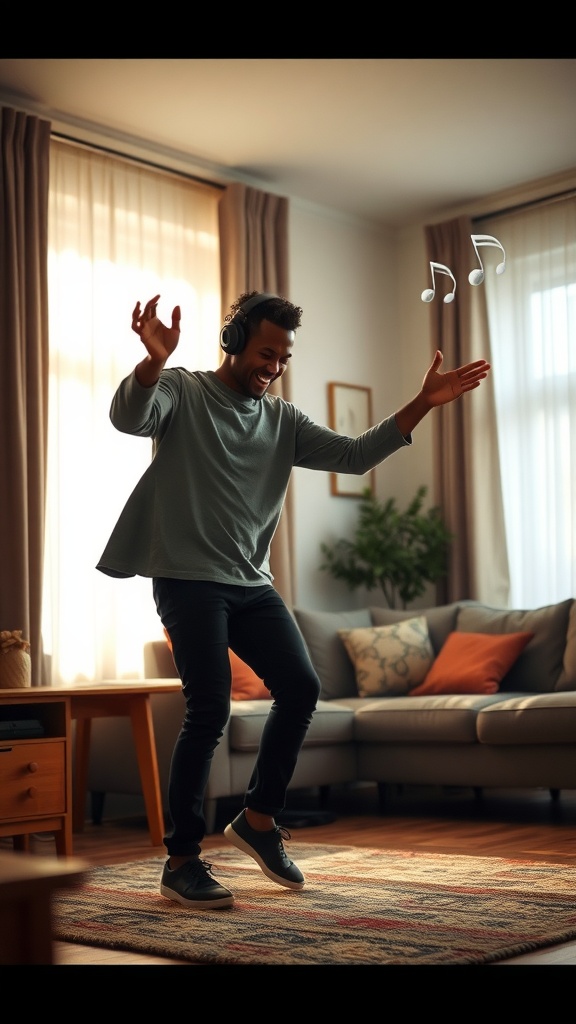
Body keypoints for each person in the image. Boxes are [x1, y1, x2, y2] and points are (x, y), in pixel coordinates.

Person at [97, 290, 491, 910]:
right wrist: (150, 364)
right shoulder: (183, 390)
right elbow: (129, 417)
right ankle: (181, 859)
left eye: (282, 357)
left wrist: (423, 402)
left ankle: (258, 820)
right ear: (233, 342)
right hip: (187, 578)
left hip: (251, 583)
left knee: (301, 688)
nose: (272, 366)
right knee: (209, 710)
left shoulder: (282, 420)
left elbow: (356, 458)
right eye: (263, 352)